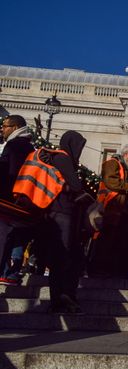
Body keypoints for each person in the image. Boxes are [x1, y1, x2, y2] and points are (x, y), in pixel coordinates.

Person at [15, 131, 89, 313]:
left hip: (53, 213)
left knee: (64, 257)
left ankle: (63, 297)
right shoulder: (63, 159)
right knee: (63, 257)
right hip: (62, 213)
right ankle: (61, 298)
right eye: (80, 146)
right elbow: (76, 186)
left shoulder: (55, 158)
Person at [88, 144, 128, 277]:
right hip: (109, 208)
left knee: (116, 242)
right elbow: (111, 181)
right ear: (126, 154)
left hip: (122, 211)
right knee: (104, 241)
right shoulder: (112, 163)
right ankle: (97, 270)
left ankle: (111, 270)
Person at [0, 115, 35, 285]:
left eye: (5, 126)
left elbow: (9, 172)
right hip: (25, 198)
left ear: (15, 128)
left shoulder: (13, 146)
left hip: (9, 197)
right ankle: (13, 272)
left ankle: (7, 271)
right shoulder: (30, 147)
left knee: (7, 235)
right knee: (19, 235)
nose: (2, 129)